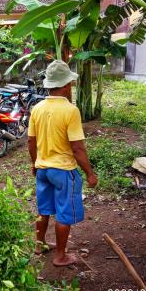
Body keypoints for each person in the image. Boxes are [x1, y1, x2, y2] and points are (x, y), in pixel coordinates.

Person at [28, 60, 98, 267]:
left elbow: (31, 141)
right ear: (66, 85)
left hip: (43, 169)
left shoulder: (37, 108)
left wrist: (34, 163)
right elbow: (77, 148)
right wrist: (90, 173)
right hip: (63, 171)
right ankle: (60, 256)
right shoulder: (70, 111)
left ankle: (39, 245)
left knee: (44, 210)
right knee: (64, 213)